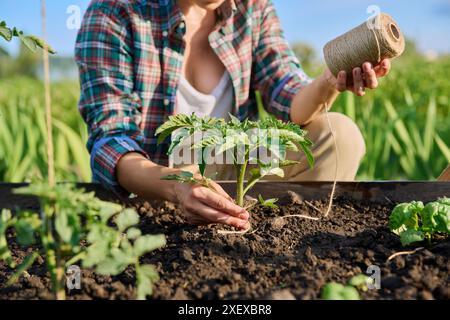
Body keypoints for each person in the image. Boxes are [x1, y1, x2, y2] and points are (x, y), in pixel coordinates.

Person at [75, 0, 392, 230]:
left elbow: (288, 94)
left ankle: (288, 239)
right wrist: (178, 185)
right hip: (156, 185)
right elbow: (112, 144)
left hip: (234, 171)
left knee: (339, 136)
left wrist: (329, 80)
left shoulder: (252, 9)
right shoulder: (114, 13)